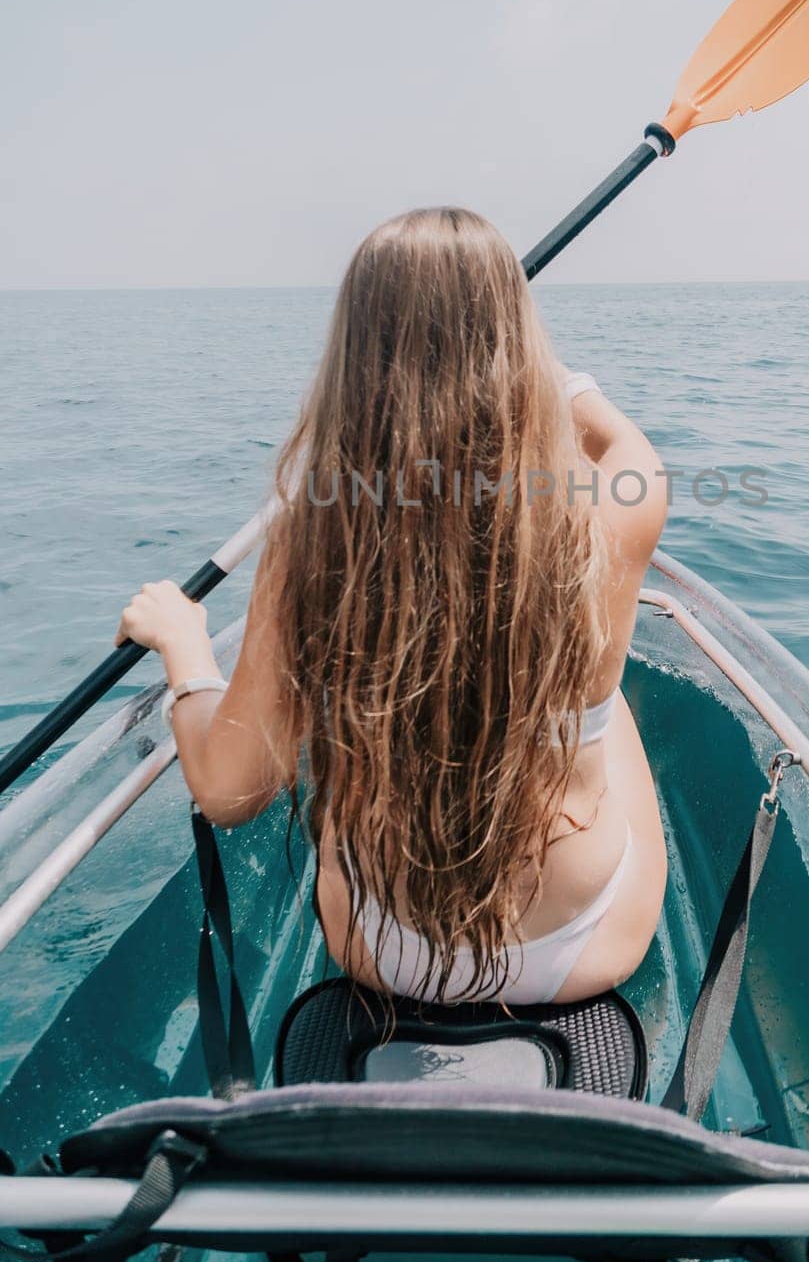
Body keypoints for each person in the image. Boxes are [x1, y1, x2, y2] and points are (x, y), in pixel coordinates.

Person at [116, 207, 668, 1006]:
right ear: (519, 348)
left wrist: (184, 646)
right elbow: (626, 446)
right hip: (587, 947)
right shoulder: (614, 513)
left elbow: (232, 792)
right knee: (604, 710)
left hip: (385, 951)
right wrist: (559, 383)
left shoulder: (311, 540)